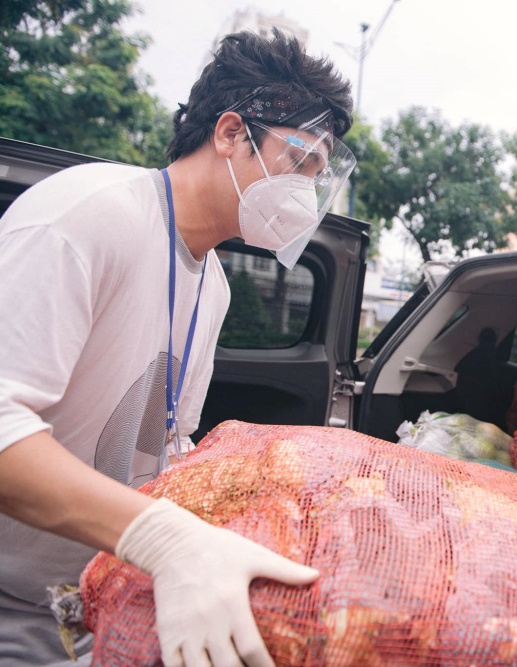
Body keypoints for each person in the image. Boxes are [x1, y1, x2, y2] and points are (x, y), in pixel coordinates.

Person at [0, 29, 355, 666]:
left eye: (319, 175)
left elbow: (164, 446)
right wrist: (164, 538)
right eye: (299, 160)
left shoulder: (212, 285)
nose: (305, 190)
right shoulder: (90, 214)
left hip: (90, 599)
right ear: (228, 133)